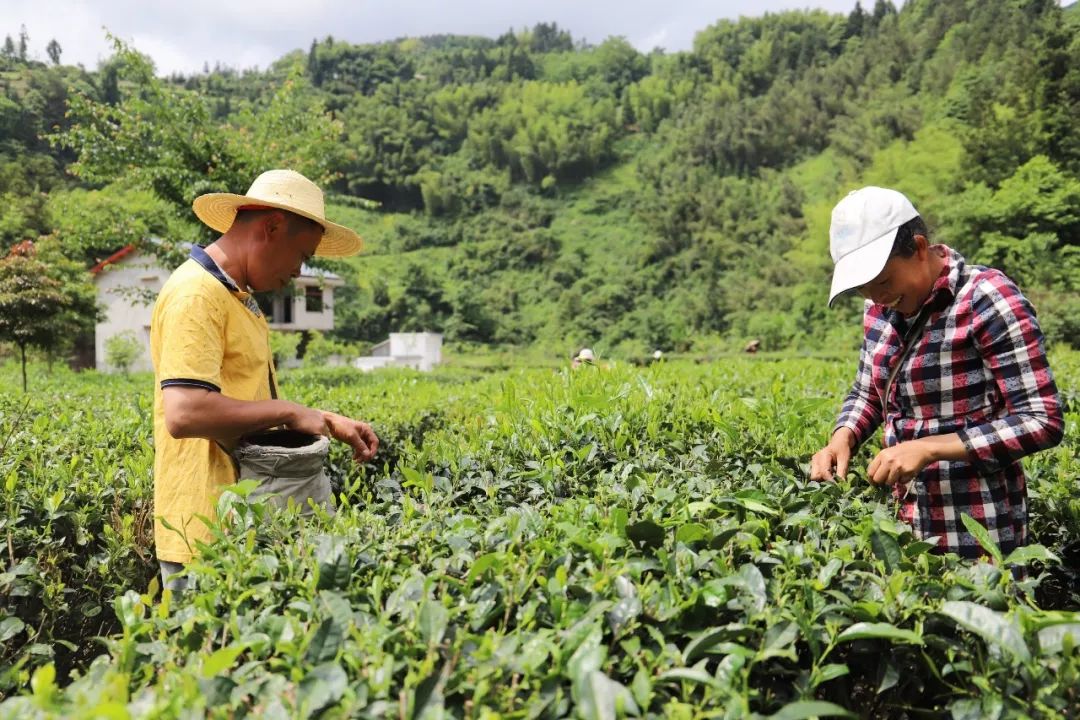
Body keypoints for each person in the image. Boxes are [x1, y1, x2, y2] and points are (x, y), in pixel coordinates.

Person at [150, 169, 380, 591]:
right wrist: (291, 411)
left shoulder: (237, 297)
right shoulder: (197, 295)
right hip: (205, 535)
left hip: (242, 520)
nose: (299, 270)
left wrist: (323, 420)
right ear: (272, 227)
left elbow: (242, 405)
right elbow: (185, 412)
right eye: (302, 253)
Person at [809, 186, 1063, 560]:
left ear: (920, 248)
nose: (877, 296)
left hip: (981, 532)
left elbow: (1042, 420)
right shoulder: (879, 310)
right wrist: (842, 438)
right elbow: (868, 394)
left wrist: (929, 449)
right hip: (905, 528)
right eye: (863, 287)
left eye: (883, 282)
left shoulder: (986, 299)